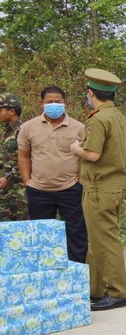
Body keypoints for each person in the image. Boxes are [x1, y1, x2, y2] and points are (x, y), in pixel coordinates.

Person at [70, 69, 126, 311]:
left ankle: (116, 292)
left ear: (91, 93)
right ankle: (97, 290)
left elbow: (93, 155)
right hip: (111, 186)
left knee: (105, 240)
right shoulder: (118, 117)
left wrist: (76, 149)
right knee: (97, 240)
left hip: (99, 187)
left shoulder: (98, 119)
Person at [17, 86, 87, 262]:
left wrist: (80, 183)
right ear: (41, 103)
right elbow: (23, 156)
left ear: (65, 103)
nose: (54, 105)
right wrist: (28, 182)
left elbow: (84, 159)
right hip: (39, 190)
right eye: (49, 102)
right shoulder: (28, 127)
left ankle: (74, 274)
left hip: (70, 189)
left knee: (76, 236)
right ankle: (44, 276)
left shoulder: (79, 128)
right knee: (41, 237)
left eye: (58, 101)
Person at [0, 93, 27, 221]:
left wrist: (7, 177)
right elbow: (5, 157)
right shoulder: (6, 130)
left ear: (11, 111)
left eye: (0, 110)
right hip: (7, 188)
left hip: (20, 188)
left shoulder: (22, 130)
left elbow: (27, 159)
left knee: (22, 224)